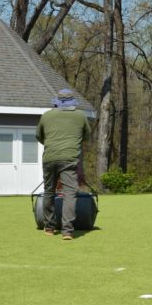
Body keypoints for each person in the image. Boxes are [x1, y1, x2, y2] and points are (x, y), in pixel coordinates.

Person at [36, 88, 91, 240]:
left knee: (49, 191)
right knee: (69, 194)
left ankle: (49, 227)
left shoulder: (46, 116)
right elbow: (86, 136)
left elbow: (39, 136)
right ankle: (67, 231)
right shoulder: (80, 116)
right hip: (70, 158)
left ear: (57, 102)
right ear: (73, 102)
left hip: (49, 157)